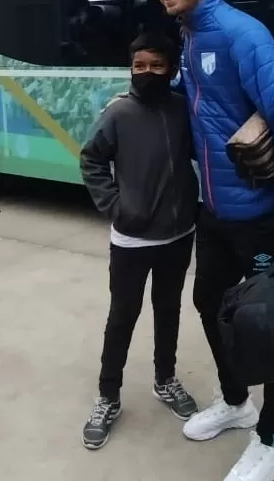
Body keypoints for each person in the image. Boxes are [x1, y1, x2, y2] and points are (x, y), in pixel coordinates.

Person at [151, 0, 274, 481]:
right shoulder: (193, 36)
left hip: (257, 215)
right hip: (215, 209)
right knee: (209, 302)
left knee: (266, 327)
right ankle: (237, 402)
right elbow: (203, 101)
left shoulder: (241, 34)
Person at [78, 32, 201, 450]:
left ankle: (165, 380)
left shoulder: (183, 109)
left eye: (156, 65)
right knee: (122, 318)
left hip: (179, 234)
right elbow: (91, 158)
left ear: (171, 68)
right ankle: (107, 396)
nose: (147, 72)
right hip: (131, 240)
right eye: (139, 65)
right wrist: (115, 204)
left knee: (168, 311)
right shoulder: (119, 113)